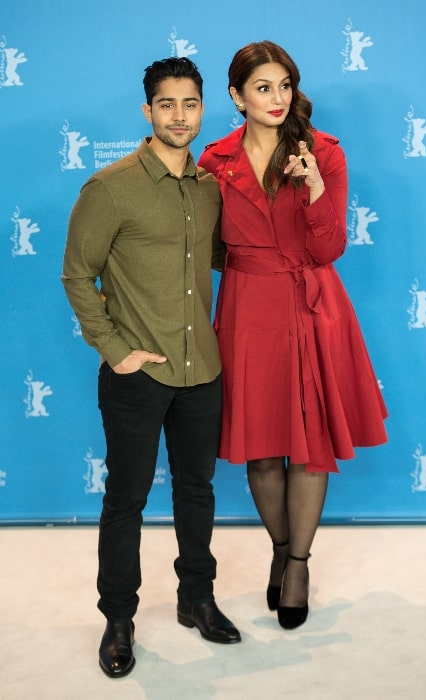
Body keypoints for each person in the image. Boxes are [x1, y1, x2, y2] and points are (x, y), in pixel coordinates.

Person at [198, 41, 388, 631]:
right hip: (249, 306)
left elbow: (330, 248)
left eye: (285, 85)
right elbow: (208, 250)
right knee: (261, 449)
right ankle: (280, 547)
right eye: (262, 88)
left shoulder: (323, 152)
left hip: (312, 306)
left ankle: (297, 564)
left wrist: (312, 191)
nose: (277, 99)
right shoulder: (214, 162)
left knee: (309, 446)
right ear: (236, 97)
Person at [62, 56, 241, 679]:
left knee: (198, 491)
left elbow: (227, 259)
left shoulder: (210, 186)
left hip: (203, 372)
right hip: (138, 375)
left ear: (202, 108)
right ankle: (118, 619)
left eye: (190, 104)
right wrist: (117, 351)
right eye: (167, 104)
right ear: (147, 111)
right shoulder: (110, 187)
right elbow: (76, 275)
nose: (179, 115)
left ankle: (196, 598)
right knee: (127, 499)